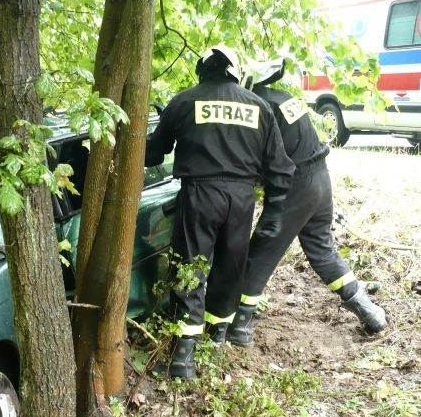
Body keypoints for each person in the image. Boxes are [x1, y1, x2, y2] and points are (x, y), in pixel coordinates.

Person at [145, 45, 295, 380]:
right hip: (241, 199)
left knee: (190, 267)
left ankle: (184, 358)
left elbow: (154, 154)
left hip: (199, 194)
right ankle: (219, 336)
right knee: (230, 265)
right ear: (234, 72)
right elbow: (280, 167)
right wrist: (275, 210)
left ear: (204, 70)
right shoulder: (258, 106)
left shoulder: (185, 101)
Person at [225, 58, 386, 348]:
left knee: (261, 251)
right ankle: (369, 312)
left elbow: (259, 156)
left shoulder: (259, 106)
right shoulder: (285, 99)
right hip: (321, 180)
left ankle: (240, 327)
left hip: (295, 186)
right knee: (323, 251)